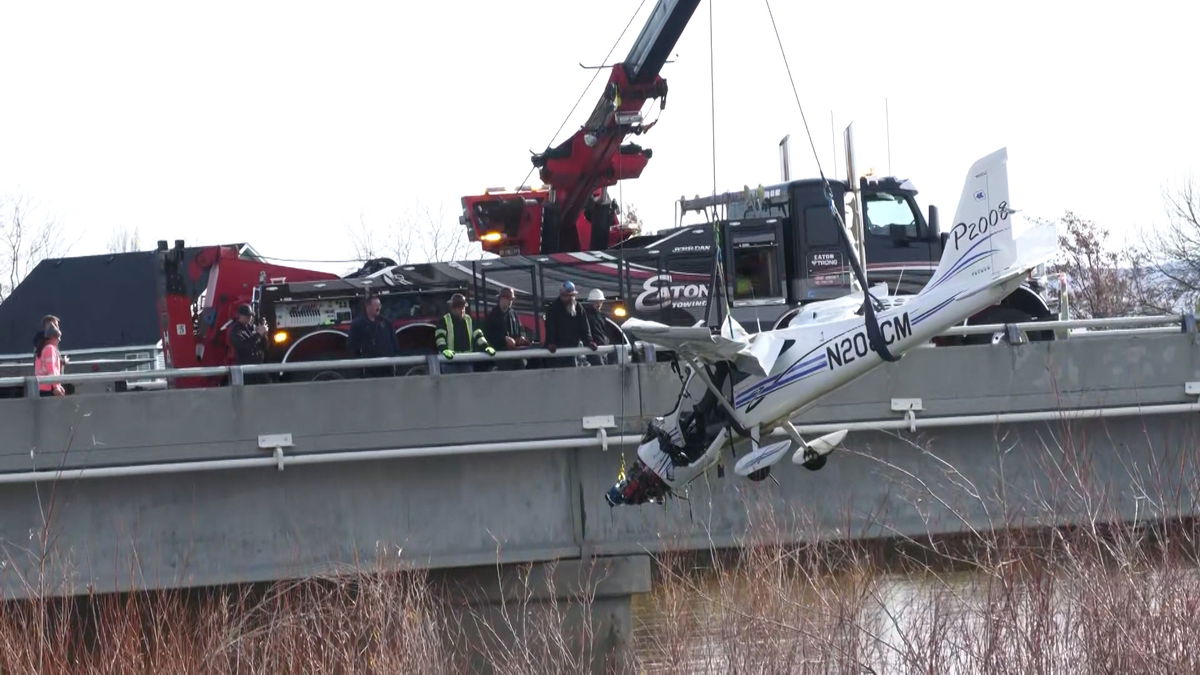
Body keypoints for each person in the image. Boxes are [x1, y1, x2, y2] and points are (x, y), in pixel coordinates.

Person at [435, 293, 495, 374]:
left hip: (466, 360)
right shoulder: (445, 320)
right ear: (453, 308)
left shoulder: (469, 319)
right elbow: (440, 337)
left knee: (467, 385)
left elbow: (478, 335)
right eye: (459, 307)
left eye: (463, 307)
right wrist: (444, 349)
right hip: (450, 361)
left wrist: (486, 346)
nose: (462, 310)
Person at [544, 280, 596, 368]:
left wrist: (589, 341)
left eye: (572, 296)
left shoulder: (578, 307)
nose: (570, 298)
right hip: (558, 350)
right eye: (567, 296)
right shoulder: (553, 309)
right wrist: (551, 342)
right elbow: (550, 327)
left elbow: (584, 327)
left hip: (574, 347)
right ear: (561, 296)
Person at [348, 295, 399, 378]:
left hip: (387, 365)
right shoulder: (357, 324)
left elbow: (394, 341)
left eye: (380, 305)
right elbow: (352, 346)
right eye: (376, 305)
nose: (379, 308)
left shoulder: (386, 322)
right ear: (368, 306)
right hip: (368, 367)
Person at [484, 287, 528, 370]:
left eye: (511, 299)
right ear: (502, 298)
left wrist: (521, 338)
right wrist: (504, 339)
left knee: (521, 366)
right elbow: (489, 335)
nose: (511, 302)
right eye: (509, 299)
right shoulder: (493, 315)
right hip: (500, 353)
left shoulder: (513, 313)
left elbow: (520, 329)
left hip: (514, 352)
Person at [229, 304, 269, 383]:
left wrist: (263, 334)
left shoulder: (251, 328)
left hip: (257, 367)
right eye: (247, 315)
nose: (249, 318)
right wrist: (258, 334)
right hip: (246, 369)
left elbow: (264, 347)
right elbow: (244, 348)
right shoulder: (236, 331)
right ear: (240, 315)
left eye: (250, 315)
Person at [34, 325, 66, 397]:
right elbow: (51, 369)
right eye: (58, 337)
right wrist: (56, 387)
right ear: (52, 338)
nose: (59, 340)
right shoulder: (50, 349)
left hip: (41, 386)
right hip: (49, 387)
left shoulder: (42, 348)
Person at [583, 288, 611, 366]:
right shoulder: (586, 316)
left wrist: (606, 341)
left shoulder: (602, 316)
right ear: (590, 302)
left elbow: (605, 332)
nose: (598, 304)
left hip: (603, 349)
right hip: (593, 350)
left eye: (600, 301)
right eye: (596, 302)